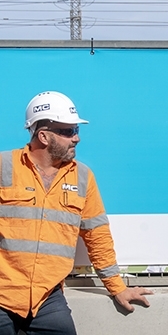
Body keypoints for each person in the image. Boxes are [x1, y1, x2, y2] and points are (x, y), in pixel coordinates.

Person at [0, 91, 152, 335]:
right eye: (68, 131)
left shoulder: (83, 177)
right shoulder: (3, 166)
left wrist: (117, 287)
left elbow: (97, 236)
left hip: (46, 298)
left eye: (76, 130)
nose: (76, 138)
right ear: (44, 136)